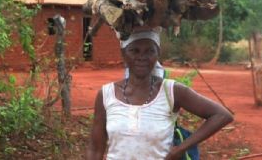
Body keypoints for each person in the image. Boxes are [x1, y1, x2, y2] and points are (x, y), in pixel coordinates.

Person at [86, 29, 233, 160]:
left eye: (149, 51)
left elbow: (222, 115)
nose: (142, 57)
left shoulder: (171, 91)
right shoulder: (106, 94)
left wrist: (180, 149)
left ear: (158, 54)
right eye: (135, 51)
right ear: (123, 54)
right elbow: (95, 148)